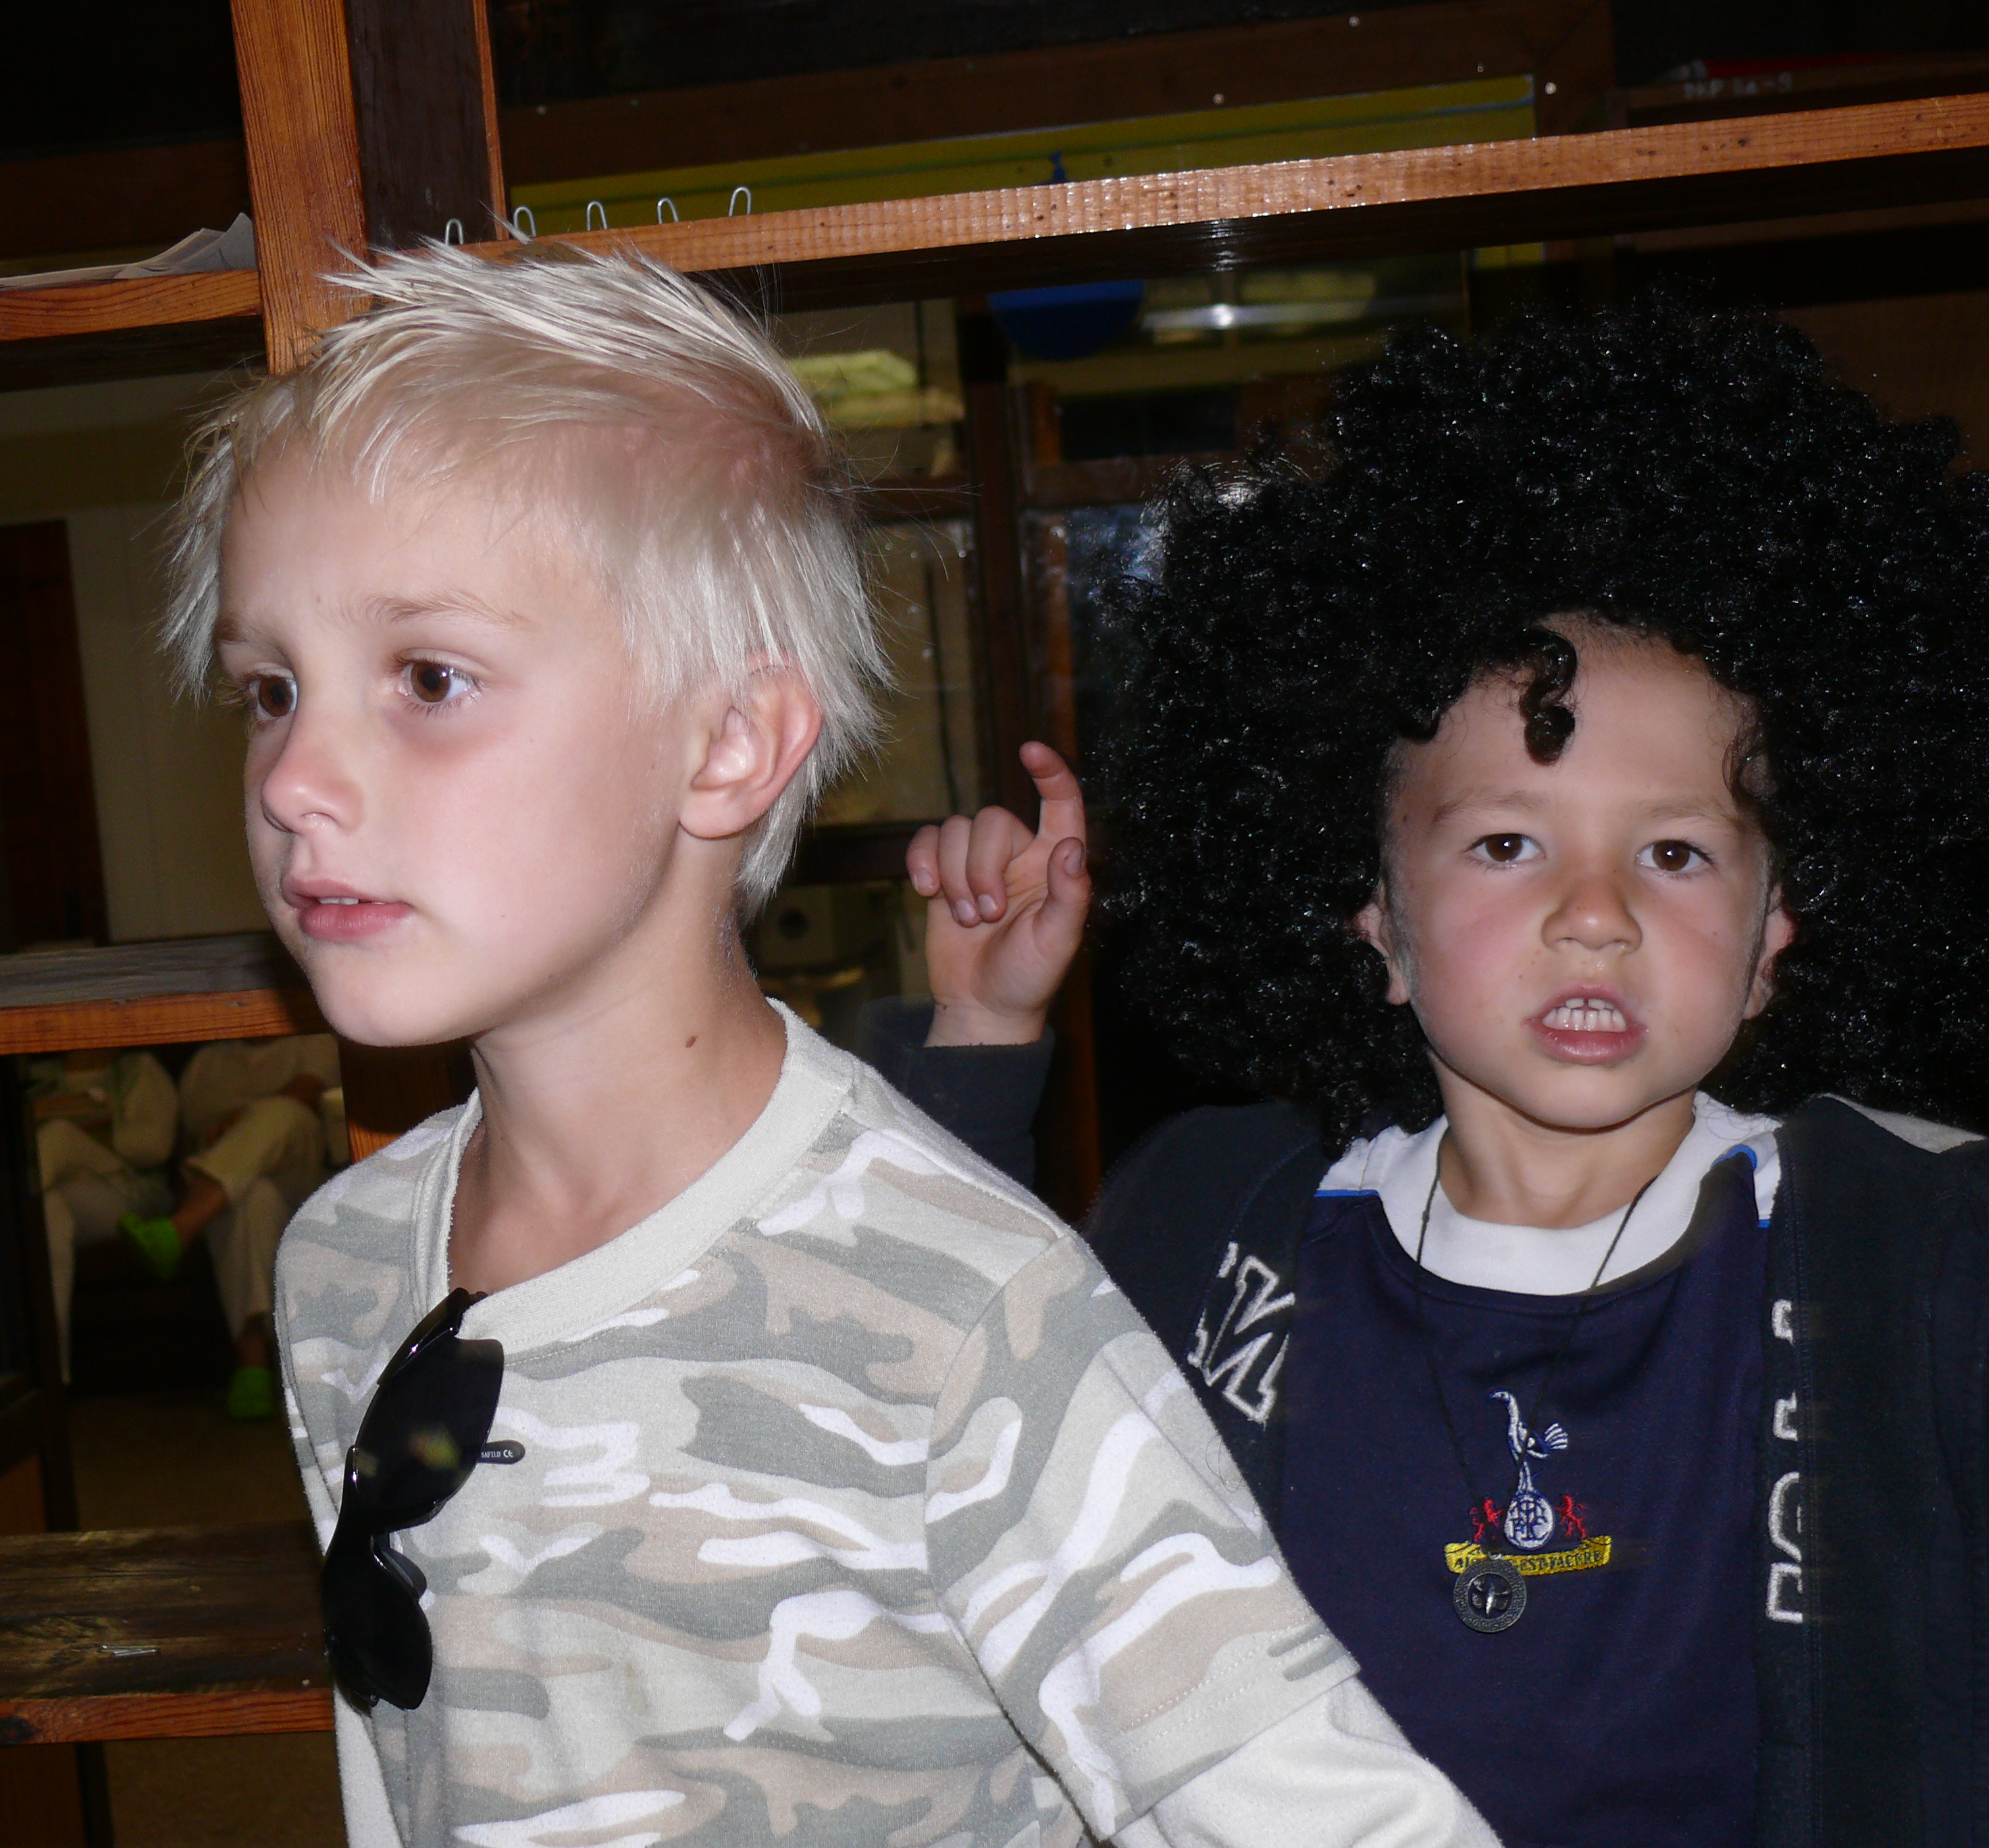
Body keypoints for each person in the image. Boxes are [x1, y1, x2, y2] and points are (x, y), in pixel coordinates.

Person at [162, 242, 1493, 1845]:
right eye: (270, 688)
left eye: (429, 677)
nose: (296, 776)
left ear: (729, 741)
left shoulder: (962, 1313)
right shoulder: (343, 1263)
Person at [886, 296, 1989, 1847]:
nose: (1596, 912)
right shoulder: (1218, 1221)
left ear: (1767, 942)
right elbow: (939, 1431)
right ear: (1379, 925)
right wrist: (982, 1042)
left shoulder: (1912, 1251)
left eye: (1675, 853)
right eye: (1507, 843)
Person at [116, 1031, 341, 1418]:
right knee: (250, 1198)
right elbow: (192, 1138)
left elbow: (309, 1089)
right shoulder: (206, 1061)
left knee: (283, 1113)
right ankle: (253, 1365)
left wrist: (243, 1119)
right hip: (233, 1184)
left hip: (302, 1177)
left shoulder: (312, 1041)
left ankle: (180, 1228)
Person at [28, 1046, 177, 1381]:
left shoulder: (138, 1069)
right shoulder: (36, 1077)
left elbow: (155, 1146)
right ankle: (52, 1377)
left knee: (59, 1135)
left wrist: (101, 1127)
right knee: (49, 1216)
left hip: (125, 1195)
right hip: (60, 1194)